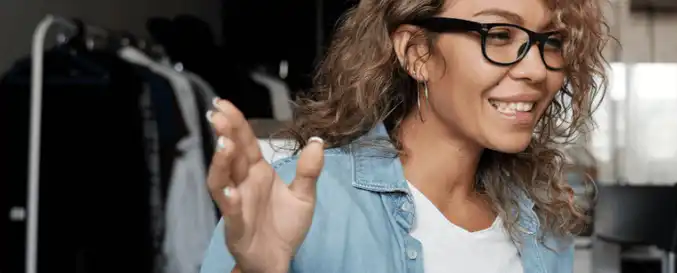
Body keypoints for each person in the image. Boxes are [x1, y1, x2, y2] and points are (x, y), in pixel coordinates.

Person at [198, 0, 608, 271]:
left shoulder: (541, 221)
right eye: (498, 35)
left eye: (551, 42)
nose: (536, 70)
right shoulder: (302, 199)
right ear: (417, 53)